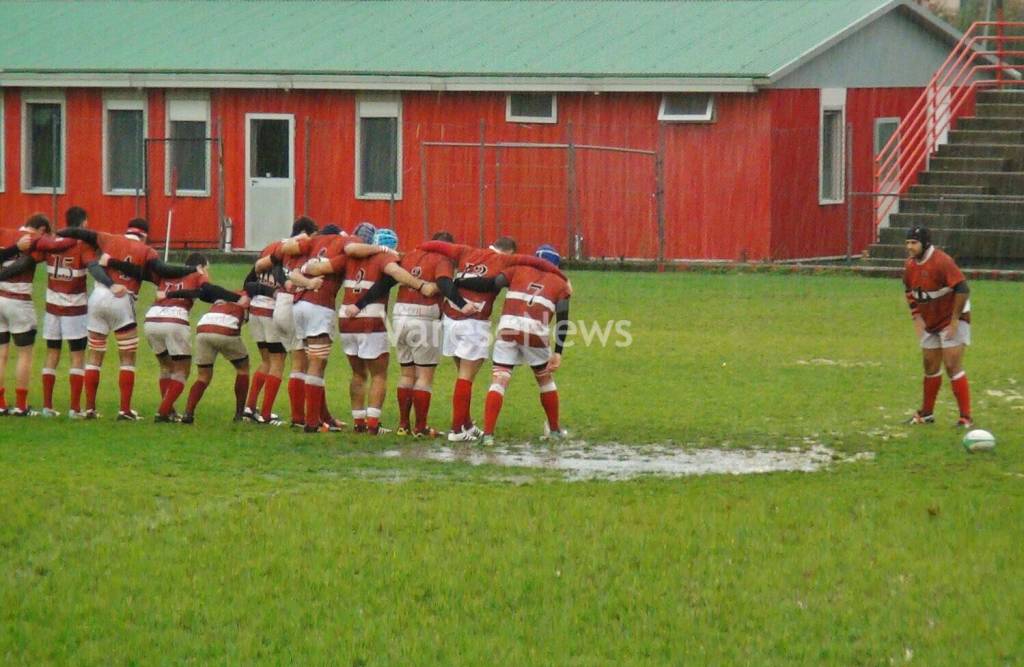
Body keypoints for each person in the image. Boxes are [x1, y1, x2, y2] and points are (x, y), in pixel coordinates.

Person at [417, 237, 568, 441]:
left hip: (452, 318)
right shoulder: (512, 264)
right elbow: (562, 317)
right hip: (478, 321)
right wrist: (562, 277)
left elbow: (438, 246)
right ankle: (457, 430)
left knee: (485, 377)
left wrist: (422, 247)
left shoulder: (466, 250)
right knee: (469, 377)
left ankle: (475, 429)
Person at [59, 218, 197, 420]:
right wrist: (191, 270)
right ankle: (124, 410)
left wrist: (59, 233)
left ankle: (89, 408)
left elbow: (79, 233)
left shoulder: (107, 239)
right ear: (145, 235)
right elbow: (163, 270)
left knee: (95, 356)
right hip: (123, 298)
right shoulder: (147, 251)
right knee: (127, 357)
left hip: (97, 297)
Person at [306, 226, 437, 434]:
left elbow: (316, 269)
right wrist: (421, 285)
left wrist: (306, 269)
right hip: (371, 319)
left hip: (347, 319)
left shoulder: (348, 259)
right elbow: (396, 273)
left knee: (358, 373)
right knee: (379, 374)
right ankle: (373, 424)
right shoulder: (384, 258)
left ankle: (358, 422)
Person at [346, 231, 473, 437]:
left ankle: (404, 425)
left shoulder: (409, 256)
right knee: (424, 376)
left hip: (399, 317)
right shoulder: (443, 259)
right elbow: (443, 283)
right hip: (424, 318)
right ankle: (420, 427)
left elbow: (384, 284)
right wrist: (462, 304)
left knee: (406, 374)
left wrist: (359, 304)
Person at [455, 244, 572, 444]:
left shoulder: (518, 269)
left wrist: (459, 281)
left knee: (499, 380)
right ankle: (554, 430)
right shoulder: (562, 283)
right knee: (545, 379)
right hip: (535, 330)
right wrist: (558, 351)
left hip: (508, 326)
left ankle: (489, 435)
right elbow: (562, 319)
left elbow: (490, 284)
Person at [118, 252, 210, 422]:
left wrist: (113, 262)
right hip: (175, 319)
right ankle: (163, 411)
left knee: (166, 366)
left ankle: (170, 412)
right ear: (202, 266)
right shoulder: (199, 273)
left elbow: (141, 273)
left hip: (152, 319)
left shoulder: (167, 273)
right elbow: (205, 291)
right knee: (183, 370)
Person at [244, 216, 318, 425]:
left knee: (266, 361)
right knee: (278, 362)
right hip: (272, 308)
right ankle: (266, 414)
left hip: (257, 308)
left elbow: (250, 277)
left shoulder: (270, 246)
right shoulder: (291, 250)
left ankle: (250, 407)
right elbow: (281, 273)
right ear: (305, 232)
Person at [903, 226, 973, 427]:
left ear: (925, 244)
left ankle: (965, 418)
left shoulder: (942, 261)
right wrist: (916, 317)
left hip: (953, 318)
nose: (909, 247)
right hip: (930, 320)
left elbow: (962, 288)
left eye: (913, 243)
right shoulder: (909, 266)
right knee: (930, 365)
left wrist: (954, 321)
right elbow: (909, 291)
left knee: (952, 365)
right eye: (907, 243)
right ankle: (926, 414)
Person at [0, 214, 68, 416]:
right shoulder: (36, 240)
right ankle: (21, 405)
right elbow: (51, 248)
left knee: (1, 354)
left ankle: (1, 403)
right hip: (19, 300)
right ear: (41, 229)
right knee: (24, 354)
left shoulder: (4, 233)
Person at [34, 207, 94, 417]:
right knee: (77, 356)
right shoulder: (82, 244)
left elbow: (34, 252)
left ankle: (47, 406)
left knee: (52, 353)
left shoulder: (51, 242)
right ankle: (75, 408)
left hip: (52, 308)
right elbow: (92, 264)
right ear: (83, 223)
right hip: (75, 309)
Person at [168, 282, 253, 424]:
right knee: (243, 368)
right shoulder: (249, 299)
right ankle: (239, 415)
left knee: (203, 376)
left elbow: (195, 292)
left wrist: (170, 294)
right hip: (225, 329)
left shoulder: (222, 296)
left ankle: (188, 414)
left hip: (203, 328)